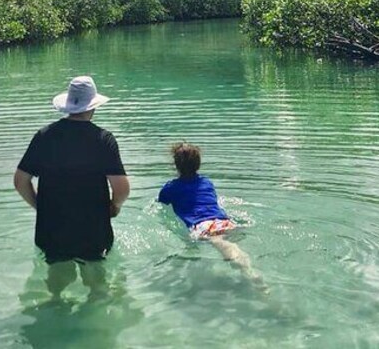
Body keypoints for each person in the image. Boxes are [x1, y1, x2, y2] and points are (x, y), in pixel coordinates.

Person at [14, 75, 130, 299]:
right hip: (93, 230)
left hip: (52, 231)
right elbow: (122, 188)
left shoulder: (44, 136)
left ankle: (56, 306)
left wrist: (40, 207)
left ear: (69, 105)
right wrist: (114, 206)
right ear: (93, 106)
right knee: (97, 289)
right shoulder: (103, 139)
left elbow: (20, 181)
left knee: (54, 289)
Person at [158, 142, 265, 290]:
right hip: (224, 222)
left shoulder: (169, 189)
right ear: (198, 164)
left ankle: (248, 271)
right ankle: (247, 268)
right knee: (227, 243)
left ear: (175, 165)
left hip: (204, 226)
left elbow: (162, 206)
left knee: (221, 243)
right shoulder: (207, 183)